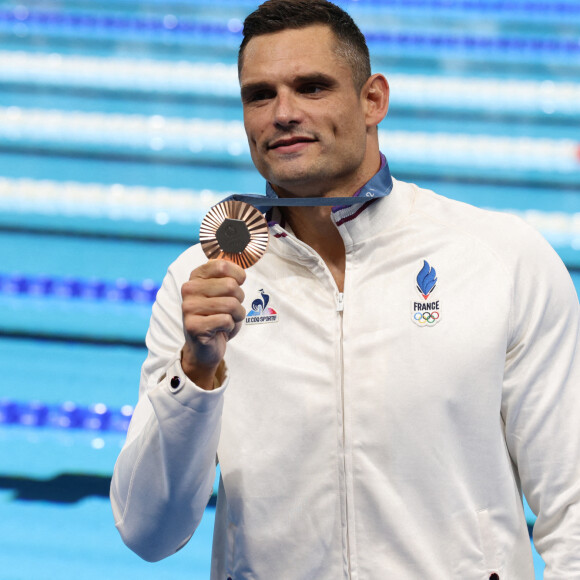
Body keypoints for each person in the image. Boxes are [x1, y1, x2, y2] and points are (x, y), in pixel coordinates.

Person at [110, 1, 580, 578]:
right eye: (260, 95)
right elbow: (148, 533)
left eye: (311, 87)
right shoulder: (200, 283)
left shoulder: (502, 258)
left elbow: (572, 501)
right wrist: (197, 370)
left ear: (372, 100)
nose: (283, 113)